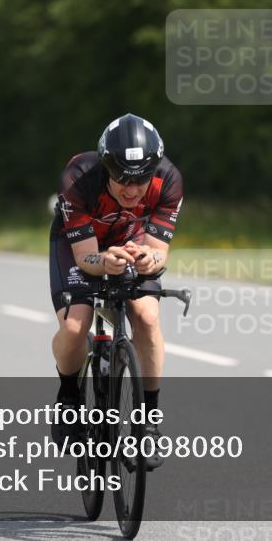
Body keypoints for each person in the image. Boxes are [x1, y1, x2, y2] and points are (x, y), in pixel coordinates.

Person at [49, 113, 183, 469]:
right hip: (80, 247)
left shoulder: (168, 180)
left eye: (141, 179)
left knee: (147, 317)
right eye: (121, 177)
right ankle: (70, 399)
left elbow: (159, 251)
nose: (131, 188)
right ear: (106, 166)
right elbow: (84, 257)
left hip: (130, 242)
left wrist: (147, 259)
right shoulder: (78, 177)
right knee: (76, 325)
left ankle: (148, 423)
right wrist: (103, 261)